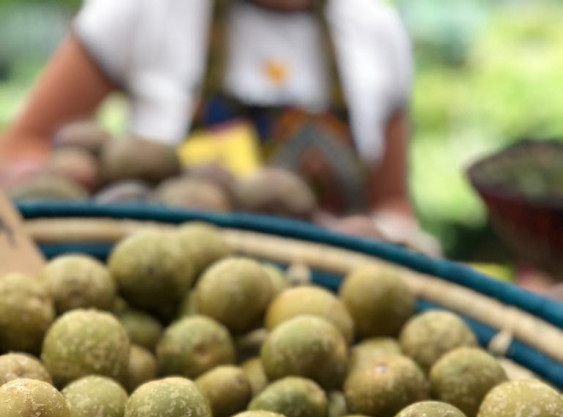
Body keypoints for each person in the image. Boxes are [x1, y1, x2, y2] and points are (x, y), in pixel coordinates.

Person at [0, 0, 439, 254]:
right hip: (152, 284)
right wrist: (94, 202)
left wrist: (394, 241)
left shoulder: (376, 28)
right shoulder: (146, 8)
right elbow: (22, 145)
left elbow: (392, 202)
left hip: (328, 313)